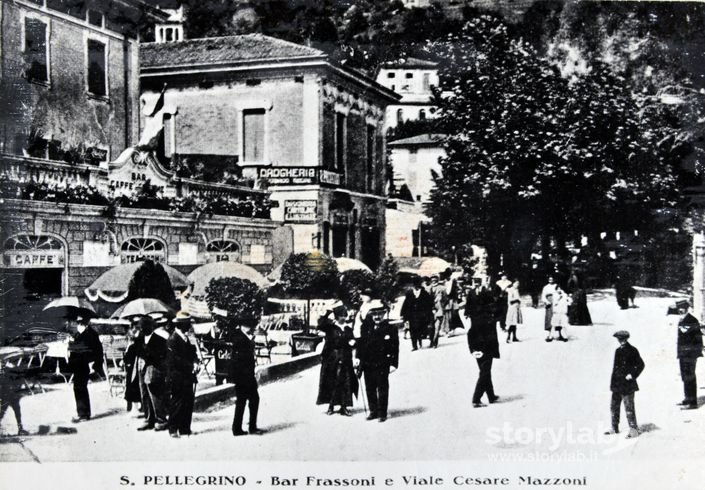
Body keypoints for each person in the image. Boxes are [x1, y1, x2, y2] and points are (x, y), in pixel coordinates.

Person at [356, 300, 399, 422]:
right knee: (369, 387)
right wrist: (358, 358)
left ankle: (382, 413)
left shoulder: (391, 329)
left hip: (382, 363)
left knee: (382, 387)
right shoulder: (365, 327)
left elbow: (395, 348)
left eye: (380, 314)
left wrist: (394, 364)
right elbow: (361, 344)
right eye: (374, 314)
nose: (377, 317)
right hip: (367, 362)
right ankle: (373, 411)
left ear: (384, 314)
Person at [221, 311, 263, 436]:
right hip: (244, 376)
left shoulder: (241, 337)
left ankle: (240, 427)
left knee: (245, 401)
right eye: (250, 326)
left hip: (244, 376)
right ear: (245, 326)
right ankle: (247, 427)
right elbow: (241, 360)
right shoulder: (241, 339)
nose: (252, 328)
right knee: (249, 400)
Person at [316, 301, 358, 416]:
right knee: (331, 381)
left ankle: (344, 406)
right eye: (341, 315)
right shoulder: (330, 328)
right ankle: (331, 406)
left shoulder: (348, 329)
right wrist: (327, 312)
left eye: (345, 315)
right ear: (336, 316)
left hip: (345, 357)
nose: (343, 318)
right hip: (331, 358)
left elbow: (353, 342)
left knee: (345, 382)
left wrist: (353, 343)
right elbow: (320, 325)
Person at [466, 286, 500, 408]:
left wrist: (473, 350)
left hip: (478, 349)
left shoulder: (476, 317)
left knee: (485, 371)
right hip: (486, 349)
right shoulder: (487, 318)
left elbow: (470, 334)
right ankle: (476, 399)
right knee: (485, 373)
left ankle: (491, 395)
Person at [606, 330, 645, 439]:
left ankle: (633, 430)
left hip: (628, 385)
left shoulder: (632, 350)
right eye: (619, 339)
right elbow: (615, 369)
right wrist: (613, 384)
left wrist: (632, 375)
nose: (620, 341)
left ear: (626, 339)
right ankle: (614, 427)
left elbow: (641, 365)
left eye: (622, 339)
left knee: (629, 407)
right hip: (617, 384)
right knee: (614, 406)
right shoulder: (617, 351)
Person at [166, 313, 199, 438]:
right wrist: (191, 366)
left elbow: (192, 352)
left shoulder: (185, 338)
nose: (190, 327)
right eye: (188, 324)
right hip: (177, 377)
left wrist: (195, 362)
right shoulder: (172, 340)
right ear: (181, 325)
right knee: (177, 402)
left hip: (187, 376)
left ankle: (185, 428)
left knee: (188, 402)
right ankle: (173, 429)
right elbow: (175, 360)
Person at [68, 315, 103, 423]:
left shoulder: (90, 334)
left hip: (84, 364)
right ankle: (82, 413)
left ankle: (83, 414)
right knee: (78, 387)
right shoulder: (82, 334)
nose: (78, 325)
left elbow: (93, 350)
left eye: (79, 323)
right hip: (80, 364)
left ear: (84, 324)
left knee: (80, 387)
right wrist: (72, 342)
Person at [137, 316, 168, 431]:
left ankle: (161, 420)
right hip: (142, 367)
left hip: (154, 368)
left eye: (143, 327)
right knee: (144, 393)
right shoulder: (140, 338)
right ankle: (148, 419)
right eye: (140, 327)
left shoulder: (159, 340)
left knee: (154, 393)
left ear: (150, 327)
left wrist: (146, 354)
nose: (141, 330)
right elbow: (136, 350)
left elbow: (161, 356)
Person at [676, 309, 703, 410]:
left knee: (690, 377)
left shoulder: (691, 320)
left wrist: (695, 352)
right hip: (683, 354)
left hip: (690, 355)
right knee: (684, 376)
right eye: (679, 309)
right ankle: (687, 398)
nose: (679, 311)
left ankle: (692, 403)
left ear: (686, 309)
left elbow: (697, 338)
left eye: (681, 309)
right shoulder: (682, 320)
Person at [400, 277, 434, 351]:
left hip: (422, 315)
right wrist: (403, 315)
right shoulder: (409, 293)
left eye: (418, 284)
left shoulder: (424, 293)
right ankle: (414, 345)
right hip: (412, 315)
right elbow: (406, 304)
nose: (417, 286)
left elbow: (430, 303)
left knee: (422, 329)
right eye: (415, 284)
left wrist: (428, 312)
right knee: (412, 330)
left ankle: (423, 341)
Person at [0, 357, 29, 436]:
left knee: (3, 411)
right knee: (17, 412)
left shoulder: (5, 370)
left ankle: (20, 429)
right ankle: (20, 429)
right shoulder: (16, 370)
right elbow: (20, 381)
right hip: (12, 394)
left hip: (6, 394)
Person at [123, 321, 143, 413]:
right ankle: (134, 406)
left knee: (133, 384)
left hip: (134, 365)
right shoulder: (132, 342)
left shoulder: (135, 342)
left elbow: (128, 356)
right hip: (132, 365)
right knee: (132, 384)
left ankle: (136, 406)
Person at [430, 275, 448, 348]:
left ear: (438, 280)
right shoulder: (428, 289)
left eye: (435, 280)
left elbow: (446, 299)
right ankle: (432, 341)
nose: (434, 281)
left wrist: (441, 306)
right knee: (431, 328)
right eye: (432, 280)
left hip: (439, 310)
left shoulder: (442, 288)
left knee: (437, 327)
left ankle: (435, 342)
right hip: (430, 311)